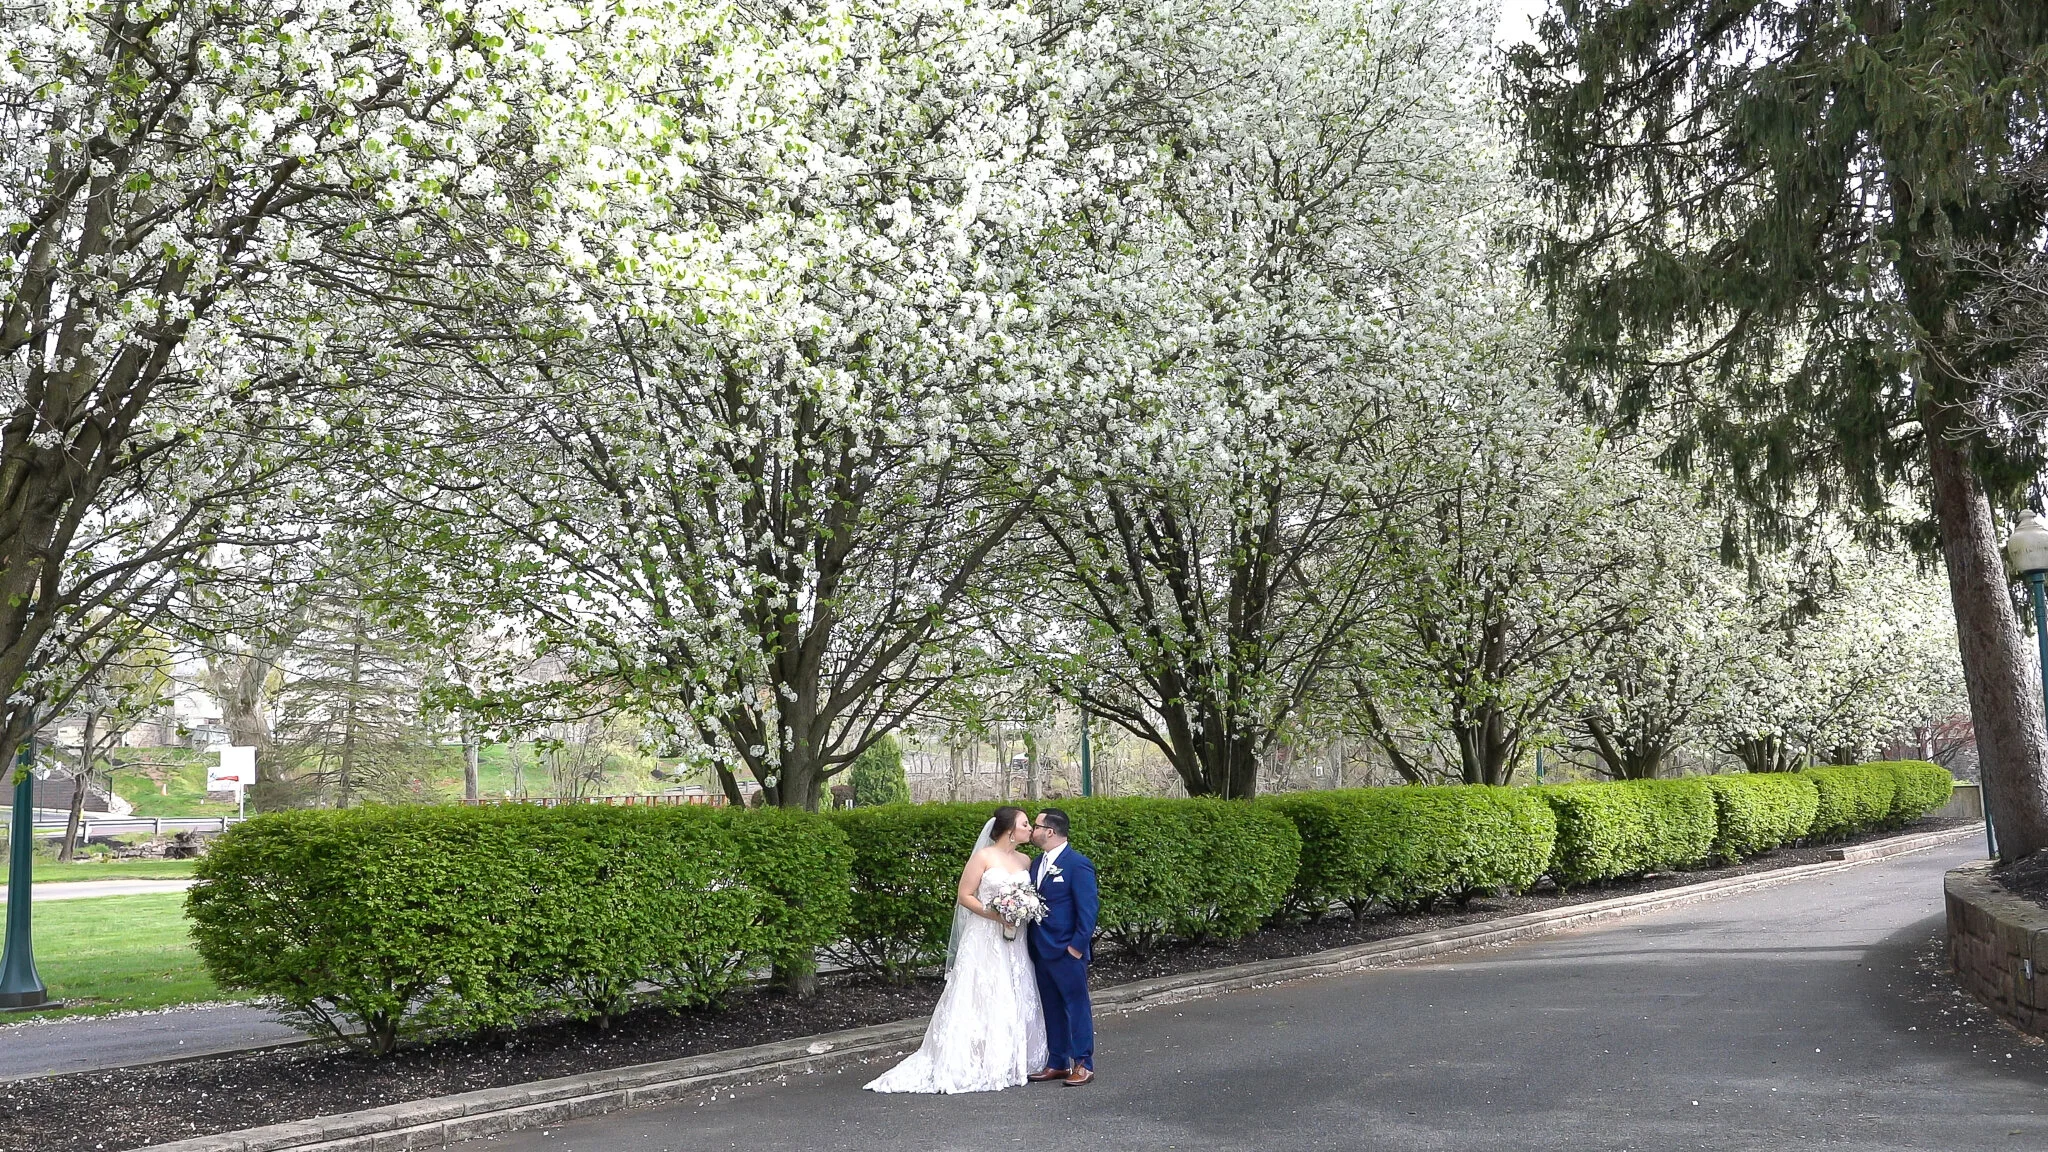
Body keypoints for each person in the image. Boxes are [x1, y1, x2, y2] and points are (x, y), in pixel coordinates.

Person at [864, 806, 1048, 1093]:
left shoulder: (1025, 860)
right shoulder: (983, 857)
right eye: (1025, 824)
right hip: (986, 935)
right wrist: (996, 914)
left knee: (1014, 989)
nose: (1029, 829)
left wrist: (1021, 910)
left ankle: (1013, 1058)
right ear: (1010, 829)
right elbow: (964, 895)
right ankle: (976, 1058)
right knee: (982, 991)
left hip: (1015, 938)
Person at [1025, 807, 1099, 1087]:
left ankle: (1083, 1063)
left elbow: (1088, 910)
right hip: (1040, 949)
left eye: (1036, 825)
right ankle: (1057, 1062)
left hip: (1067, 950)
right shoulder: (1036, 863)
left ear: (1050, 831)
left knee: (1076, 1006)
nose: (1033, 830)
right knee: (1051, 1007)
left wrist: (1077, 948)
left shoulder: (1077, 864)